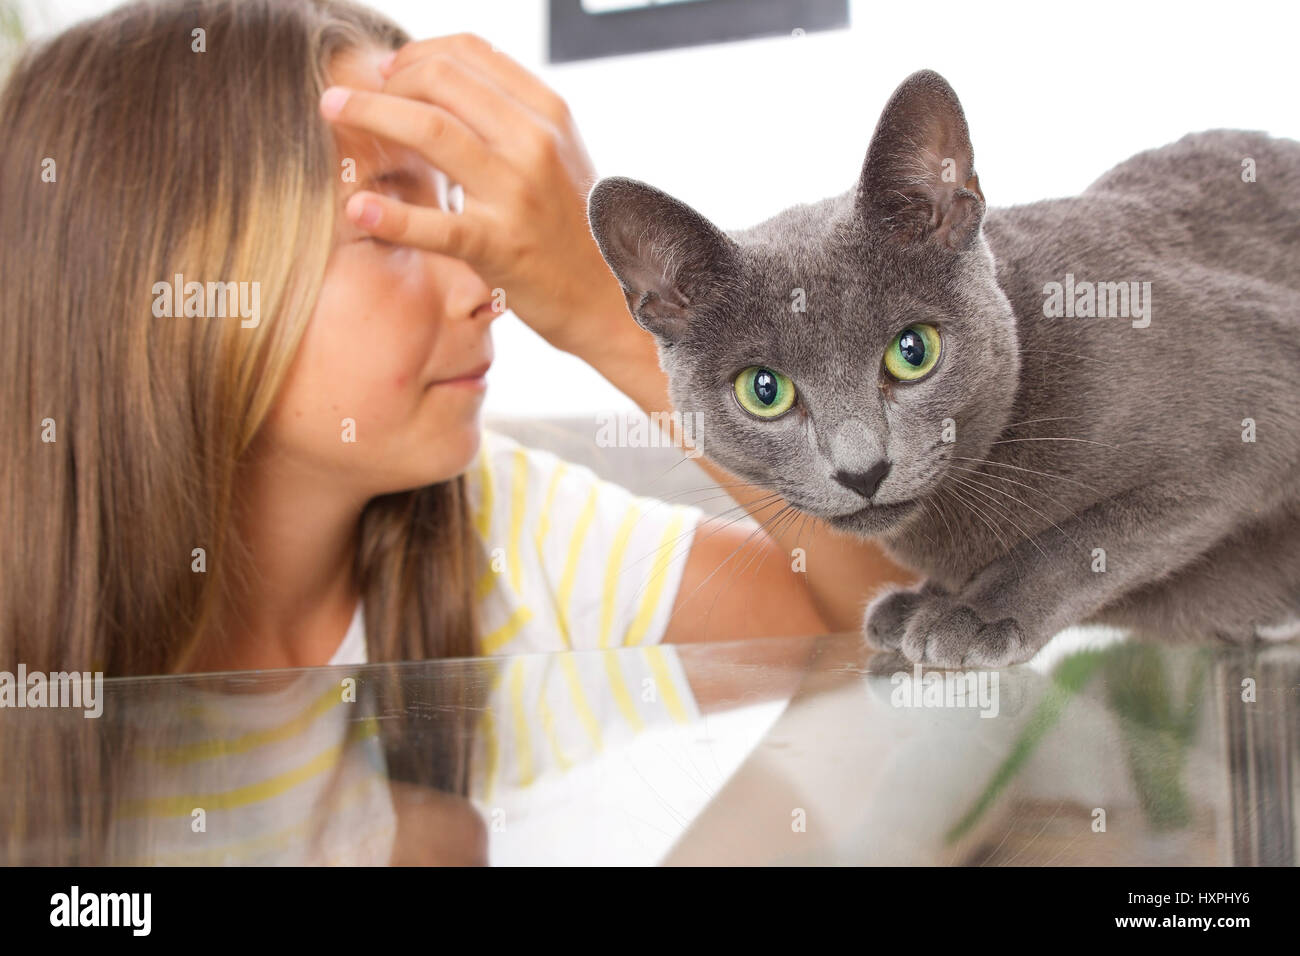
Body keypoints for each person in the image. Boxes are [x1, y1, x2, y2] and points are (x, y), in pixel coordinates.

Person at [0, 0, 914, 864]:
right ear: (171, 289)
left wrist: (625, 315)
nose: (485, 289)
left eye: (453, 218)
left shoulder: (509, 530)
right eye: (393, 226)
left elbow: (887, 617)